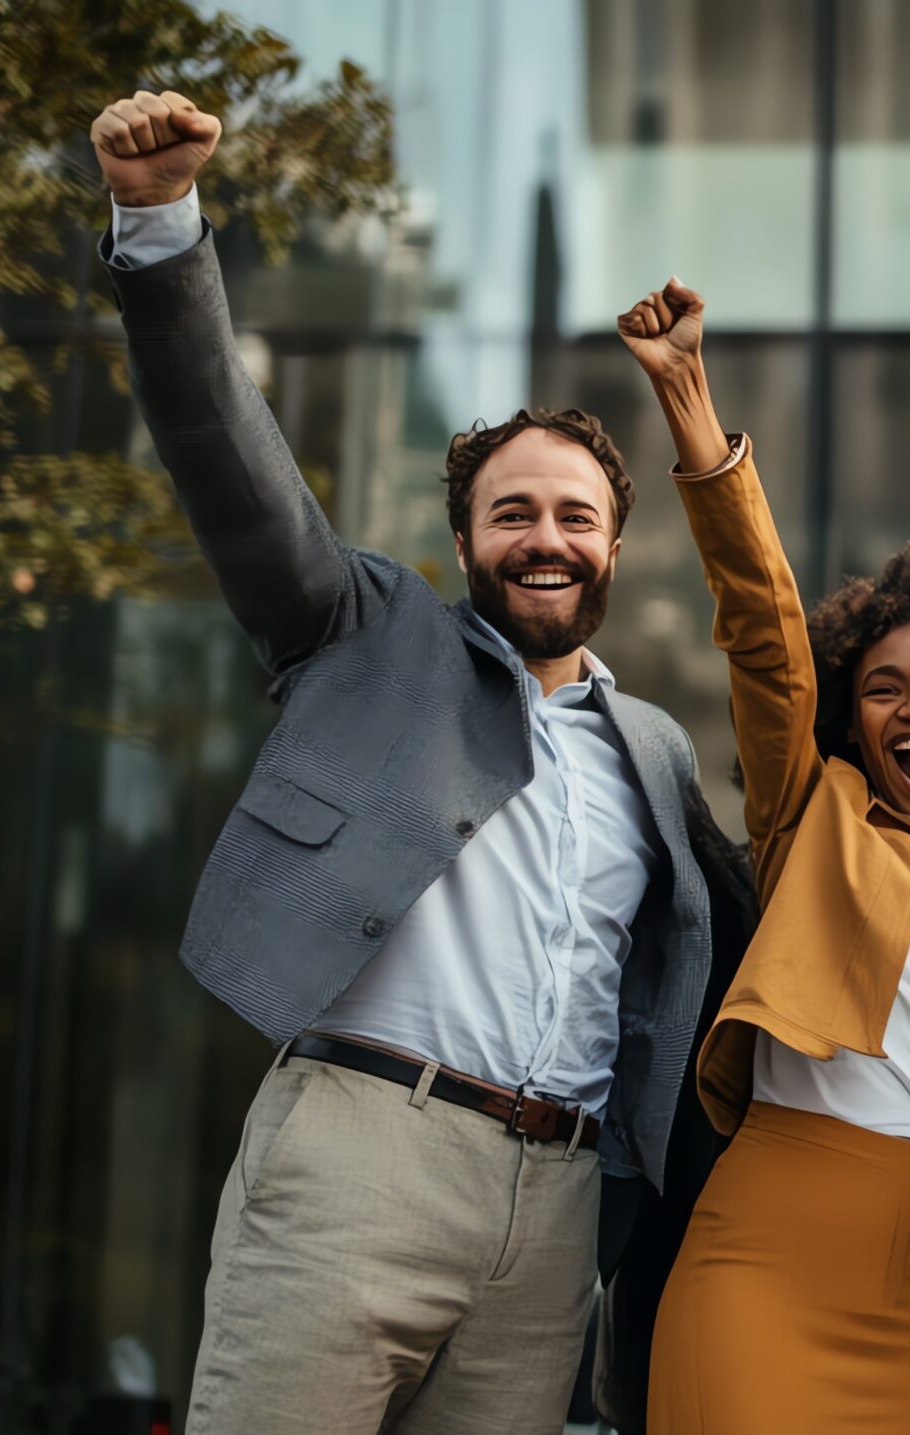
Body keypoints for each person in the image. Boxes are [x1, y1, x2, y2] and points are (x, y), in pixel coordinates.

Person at [88, 91, 726, 1434]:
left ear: (617, 547)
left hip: (555, 1206)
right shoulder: (367, 632)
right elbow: (230, 461)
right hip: (360, 1149)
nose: (545, 536)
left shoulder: (658, 752)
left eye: (575, 514)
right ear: (465, 540)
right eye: (514, 512)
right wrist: (160, 226)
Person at [620, 280, 910, 1433]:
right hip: (768, 1245)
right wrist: (688, 400)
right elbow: (764, 636)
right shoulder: (811, 816)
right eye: (884, 688)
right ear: (851, 718)